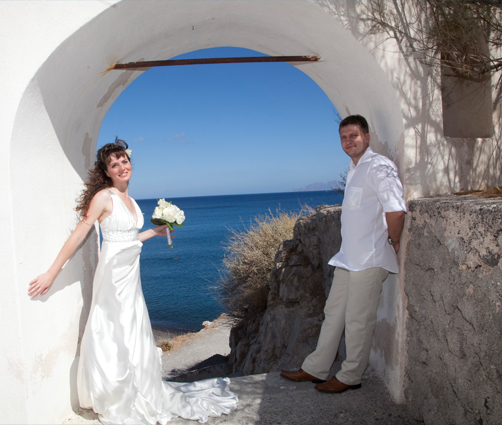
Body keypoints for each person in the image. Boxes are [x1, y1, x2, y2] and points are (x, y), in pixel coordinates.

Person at [28, 138, 237, 424]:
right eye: (114, 164)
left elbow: (125, 239)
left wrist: (153, 232)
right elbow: (80, 234)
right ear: (107, 172)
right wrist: (52, 272)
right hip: (113, 276)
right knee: (113, 329)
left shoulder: (132, 200)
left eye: (124, 161)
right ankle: (115, 394)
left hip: (131, 276)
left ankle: (136, 385)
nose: (122, 166)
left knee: (133, 328)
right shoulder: (104, 197)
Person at [280, 115, 406, 393]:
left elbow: (396, 210)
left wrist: (394, 241)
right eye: (343, 137)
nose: (348, 142)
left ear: (367, 137)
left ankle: (351, 376)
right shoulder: (354, 168)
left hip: (370, 258)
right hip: (349, 257)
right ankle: (316, 368)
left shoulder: (379, 166)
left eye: (354, 136)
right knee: (333, 312)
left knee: (358, 319)